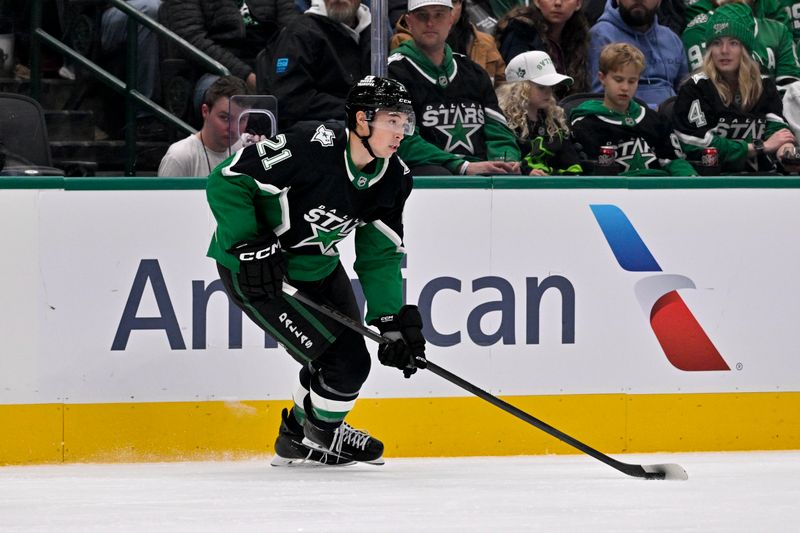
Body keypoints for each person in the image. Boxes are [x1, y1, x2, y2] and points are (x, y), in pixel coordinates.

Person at [205, 76, 427, 466]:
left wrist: (390, 319)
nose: (400, 132)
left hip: (320, 269)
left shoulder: (395, 177)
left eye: (405, 122)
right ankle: (323, 434)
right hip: (258, 274)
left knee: (337, 360)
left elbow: (380, 253)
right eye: (392, 121)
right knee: (347, 363)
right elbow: (227, 180)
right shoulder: (311, 146)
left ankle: (295, 437)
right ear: (362, 120)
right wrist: (248, 243)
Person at [388, 0, 520, 175]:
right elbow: (401, 140)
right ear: (409, 21)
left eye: (439, 15)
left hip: (480, 169)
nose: (430, 22)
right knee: (438, 174)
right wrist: (461, 166)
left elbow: (498, 131)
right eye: (422, 15)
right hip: (427, 173)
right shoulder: (392, 72)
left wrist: (505, 160)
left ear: (451, 19)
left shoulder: (473, 72)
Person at [673, 8, 797, 173]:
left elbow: (776, 132)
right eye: (717, 43)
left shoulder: (764, 85)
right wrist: (758, 147)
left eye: (733, 43)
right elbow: (696, 142)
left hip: (762, 178)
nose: (724, 50)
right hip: (714, 181)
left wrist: (786, 152)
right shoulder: (695, 88)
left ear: (745, 49)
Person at [570, 43, 697, 176]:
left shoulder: (655, 120)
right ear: (602, 78)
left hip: (657, 191)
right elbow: (589, 176)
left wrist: (691, 179)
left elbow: (675, 161)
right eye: (618, 80)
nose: (625, 87)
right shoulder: (585, 124)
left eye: (632, 81)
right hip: (613, 194)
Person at [265, 0, 372, 129]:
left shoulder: (375, 33)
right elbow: (290, 100)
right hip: (317, 135)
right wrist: (355, 110)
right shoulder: (300, 33)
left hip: (365, 127)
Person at [162, 0, 298, 92]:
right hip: (214, 69)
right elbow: (191, 38)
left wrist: (282, 71)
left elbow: (292, 29)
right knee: (227, 95)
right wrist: (245, 75)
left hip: (271, 63)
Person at [681, 0, 800, 93]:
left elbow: (790, 87)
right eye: (717, 43)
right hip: (717, 115)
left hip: (772, 112)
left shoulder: (777, 30)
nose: (724, 50)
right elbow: (705, 90)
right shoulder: (698, 29)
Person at [588, 0, 689, 109]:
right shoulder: (600, 35)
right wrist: (653, 111)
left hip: (672, 119)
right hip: (625, 121)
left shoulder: (672, 39)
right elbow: (599, 99)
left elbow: (685, 93)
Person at [497, 50, 583, 175]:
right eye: (542, 87)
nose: (549, 92)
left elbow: (572, 165)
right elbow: (505, 164)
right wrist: (526, 173)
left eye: (551, 86)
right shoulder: (504, 122)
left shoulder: (554, 121)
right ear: (520, 87)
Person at [391, 0, 507, 86]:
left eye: (454, 1)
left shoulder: (484, 41)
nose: (451, 7)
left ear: (462, 4)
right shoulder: (404, 42)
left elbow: (502, 87)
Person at [158, 76, 251, 177]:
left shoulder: (247, 149)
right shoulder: (179, 156)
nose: (233, 128)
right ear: (205, 111)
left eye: (242, 119)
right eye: (225, 118)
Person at [495, 0, 590, 98]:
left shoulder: (579, 35)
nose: (558, 2)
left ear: (578, 3)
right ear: (536, 1)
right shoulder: (520, 31)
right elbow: (515, 87)